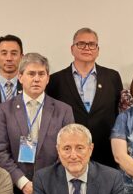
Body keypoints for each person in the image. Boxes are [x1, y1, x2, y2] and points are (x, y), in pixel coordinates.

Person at [0, 52, 74, 194]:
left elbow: (69, 152)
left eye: (41, 74)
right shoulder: (5, 110)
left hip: (52, 189)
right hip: (16, 189)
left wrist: (43, 184)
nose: (36, 79)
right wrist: (23, 183)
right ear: (20, 77)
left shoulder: (63, 110)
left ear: (48, 78)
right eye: (31, 74)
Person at [25, 124, 126, 194]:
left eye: (79, 148)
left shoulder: (112, 177)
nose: (73, 155)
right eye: (67, 148)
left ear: (90, 149)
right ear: (58, 150)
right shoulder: (43, 178)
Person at [45, 27, 123, 168]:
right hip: (70, 155)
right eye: (81, 44)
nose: (87, 48)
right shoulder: (56, 80)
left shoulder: (112, 77)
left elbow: (119, 114)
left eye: (92, 44)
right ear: (72, 49)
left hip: (105, 152)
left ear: (98, 50)